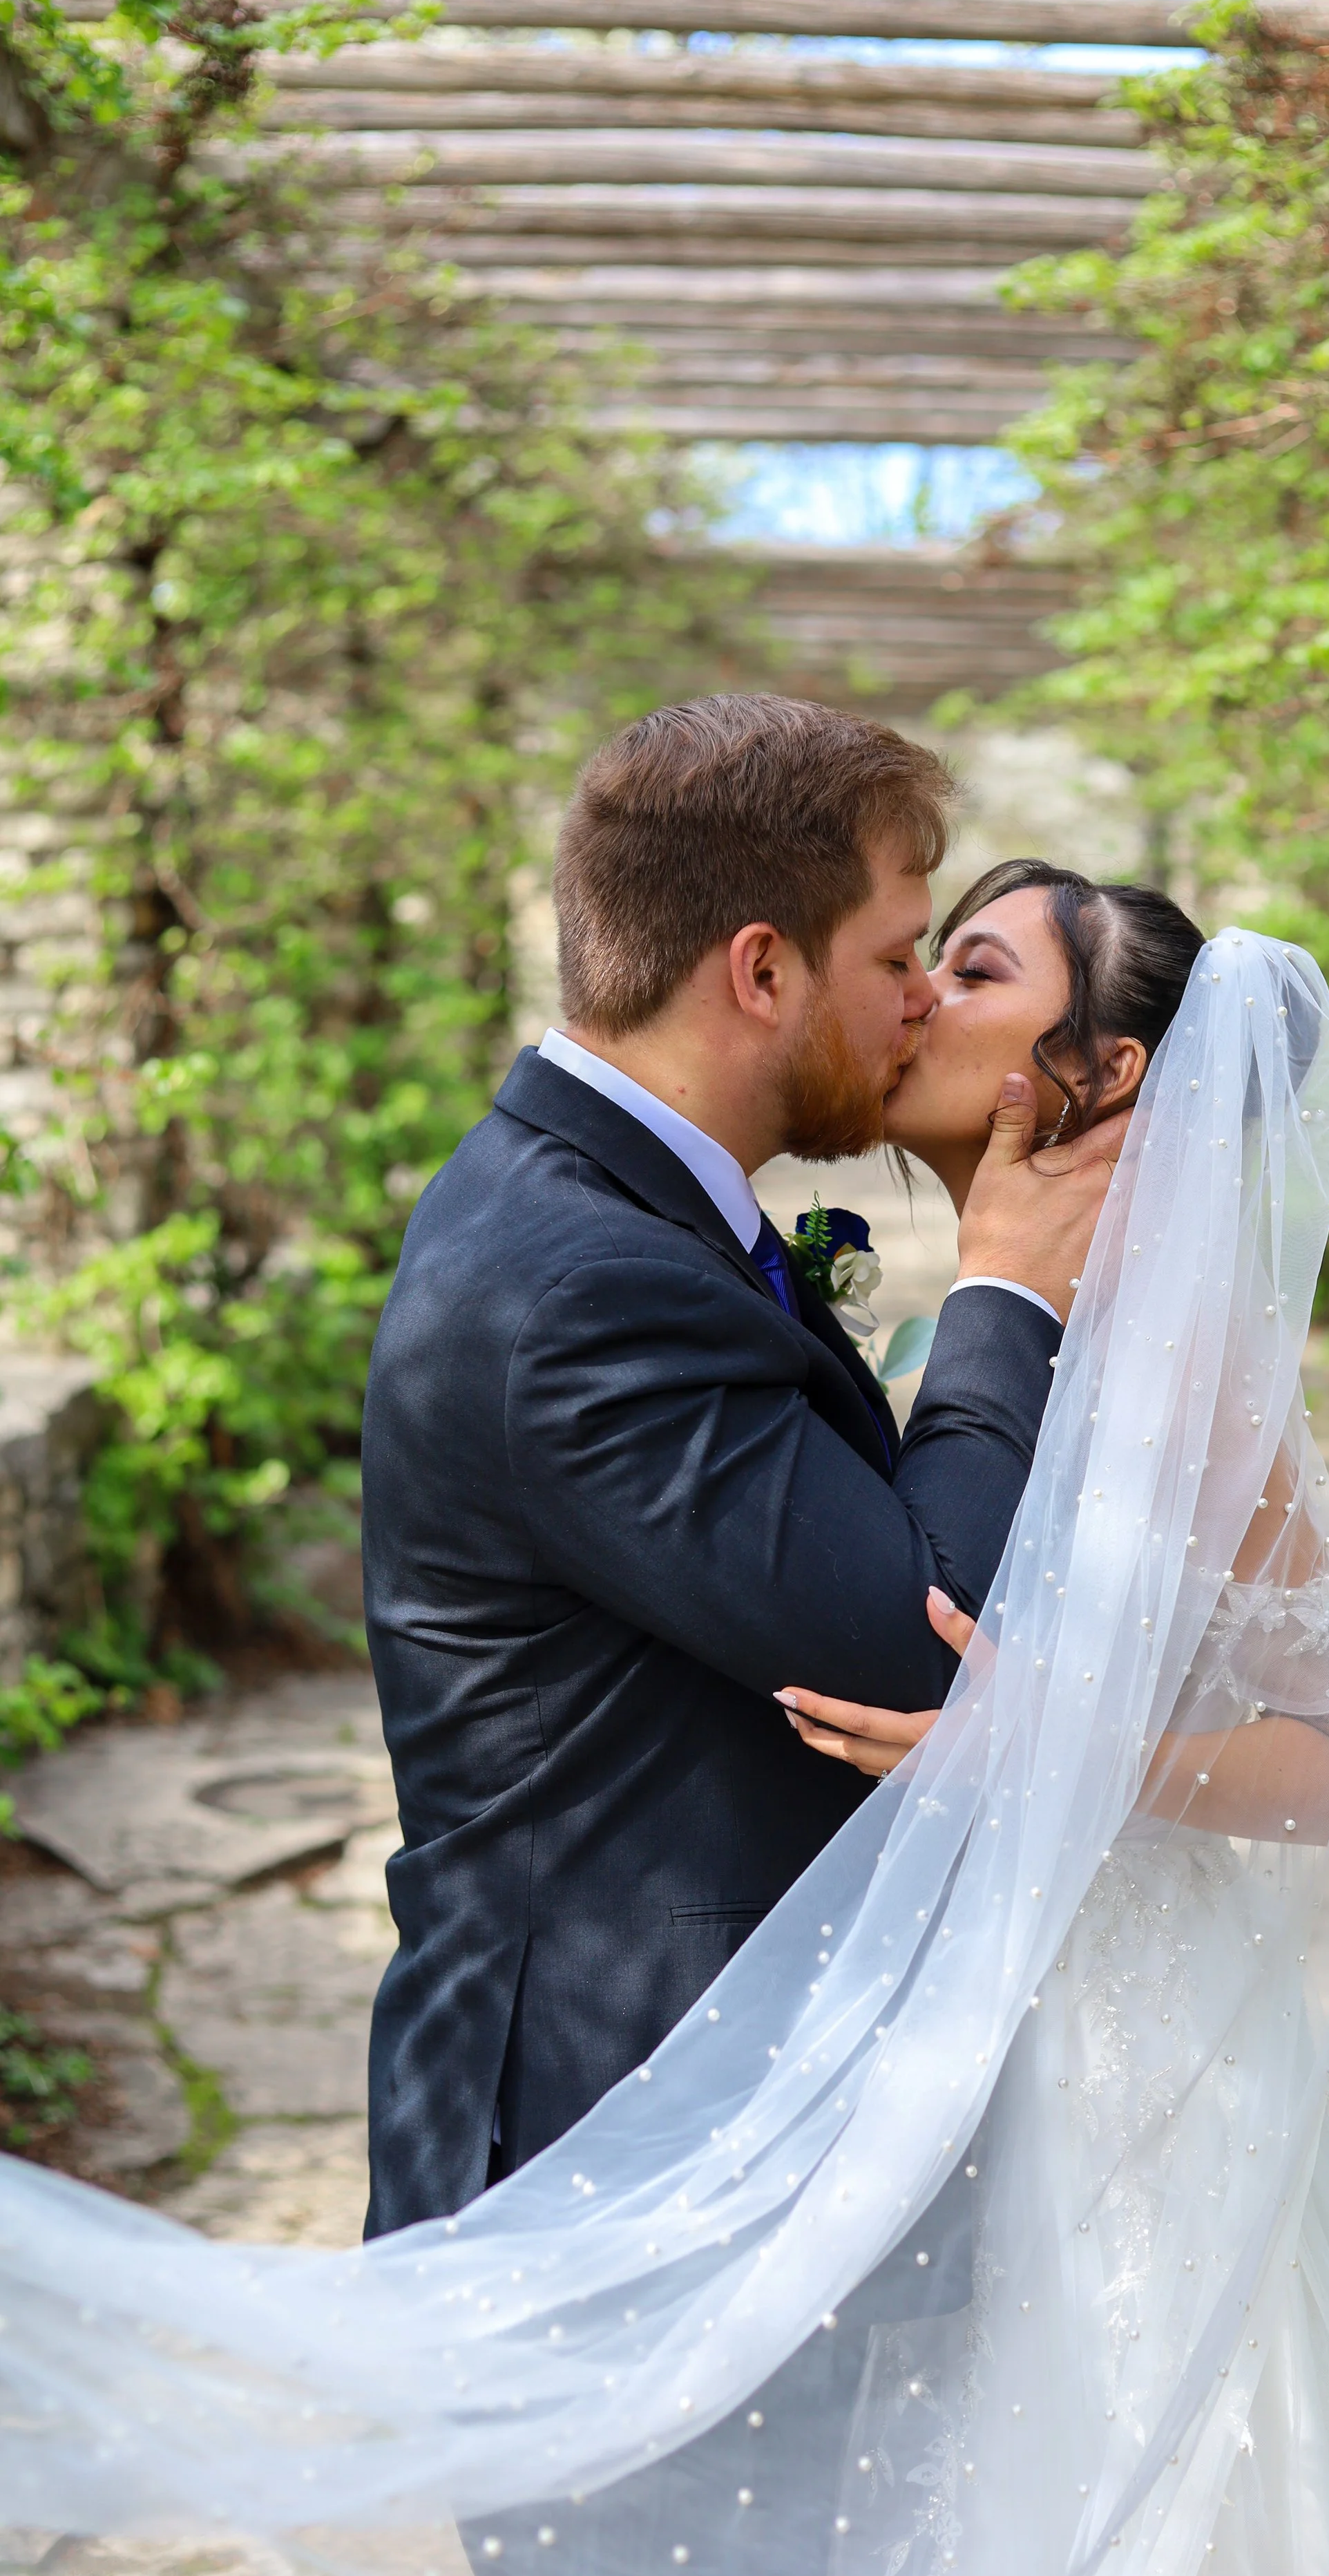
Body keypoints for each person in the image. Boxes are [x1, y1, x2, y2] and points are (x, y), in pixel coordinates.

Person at [0, 873, 1329, 2576]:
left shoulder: (1182, 1353)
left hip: (1096, 2060)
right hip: (913, 2044)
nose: (915, 994)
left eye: (969, 968)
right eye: (912, 955)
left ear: (1104, 1070)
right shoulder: (926, 1320)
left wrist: (1048, 1760)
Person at [358, 703, 1129, 2238]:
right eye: (900, 954)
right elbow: (927, 1647)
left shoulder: (620, 1205)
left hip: (734, 2113)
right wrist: (1004, 1288)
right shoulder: (581, 1282)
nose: (919, 999)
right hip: (614, 2139)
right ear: (762, 969)